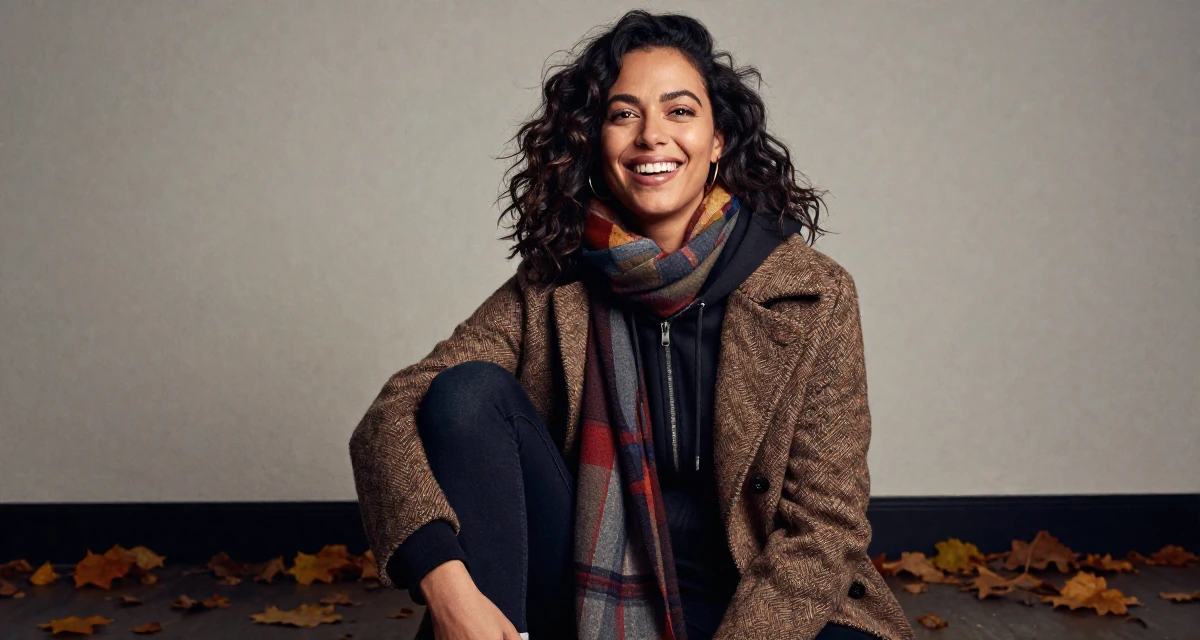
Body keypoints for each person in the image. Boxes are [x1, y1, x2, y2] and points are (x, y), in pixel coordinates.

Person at [349, 9, 915, 640]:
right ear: (597, 141)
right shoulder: (556, 284)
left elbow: (826, 525)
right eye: (624, 114)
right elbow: (394, 414)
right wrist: (448, 587)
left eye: (679, 111)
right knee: (465, 394)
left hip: (759, 599)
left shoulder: (810, 293)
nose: (652, 136)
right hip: (589, 589)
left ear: (718, 139)